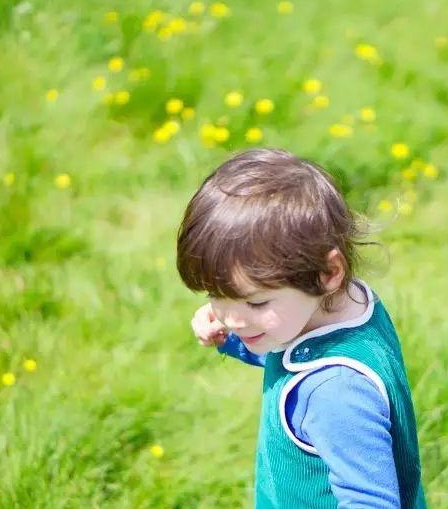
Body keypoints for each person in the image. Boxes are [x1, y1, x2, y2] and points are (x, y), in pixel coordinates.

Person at [177, 147, 426, 508]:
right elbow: (296, 360)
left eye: (255, 302)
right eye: (216, 295)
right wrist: (236, 339)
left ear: (328, 273)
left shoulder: (337, 393)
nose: (230, 317)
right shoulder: (348, 306)